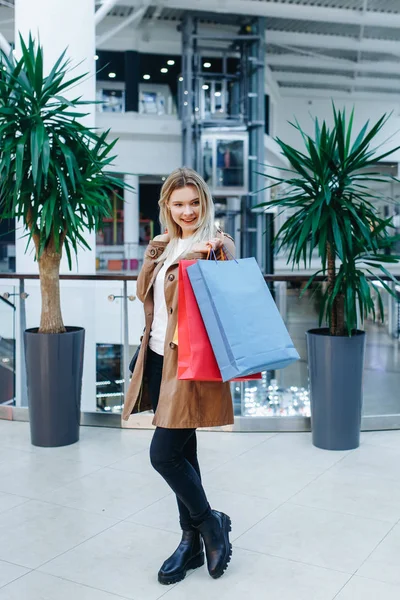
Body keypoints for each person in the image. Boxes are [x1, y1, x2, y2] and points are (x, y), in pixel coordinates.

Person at [122, 167, 235, 585]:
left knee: (163, 454)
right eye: (178, 203)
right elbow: (153, 302)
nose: (187, 211)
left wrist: (220, 248)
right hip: (155, 356)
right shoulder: (162, 245)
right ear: (166, 206)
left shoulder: (213, 246)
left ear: (204, 202)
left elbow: (226, 297)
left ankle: (210, 524)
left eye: (194, 202)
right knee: (184, 454)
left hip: (187, 364)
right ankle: (190, 543)